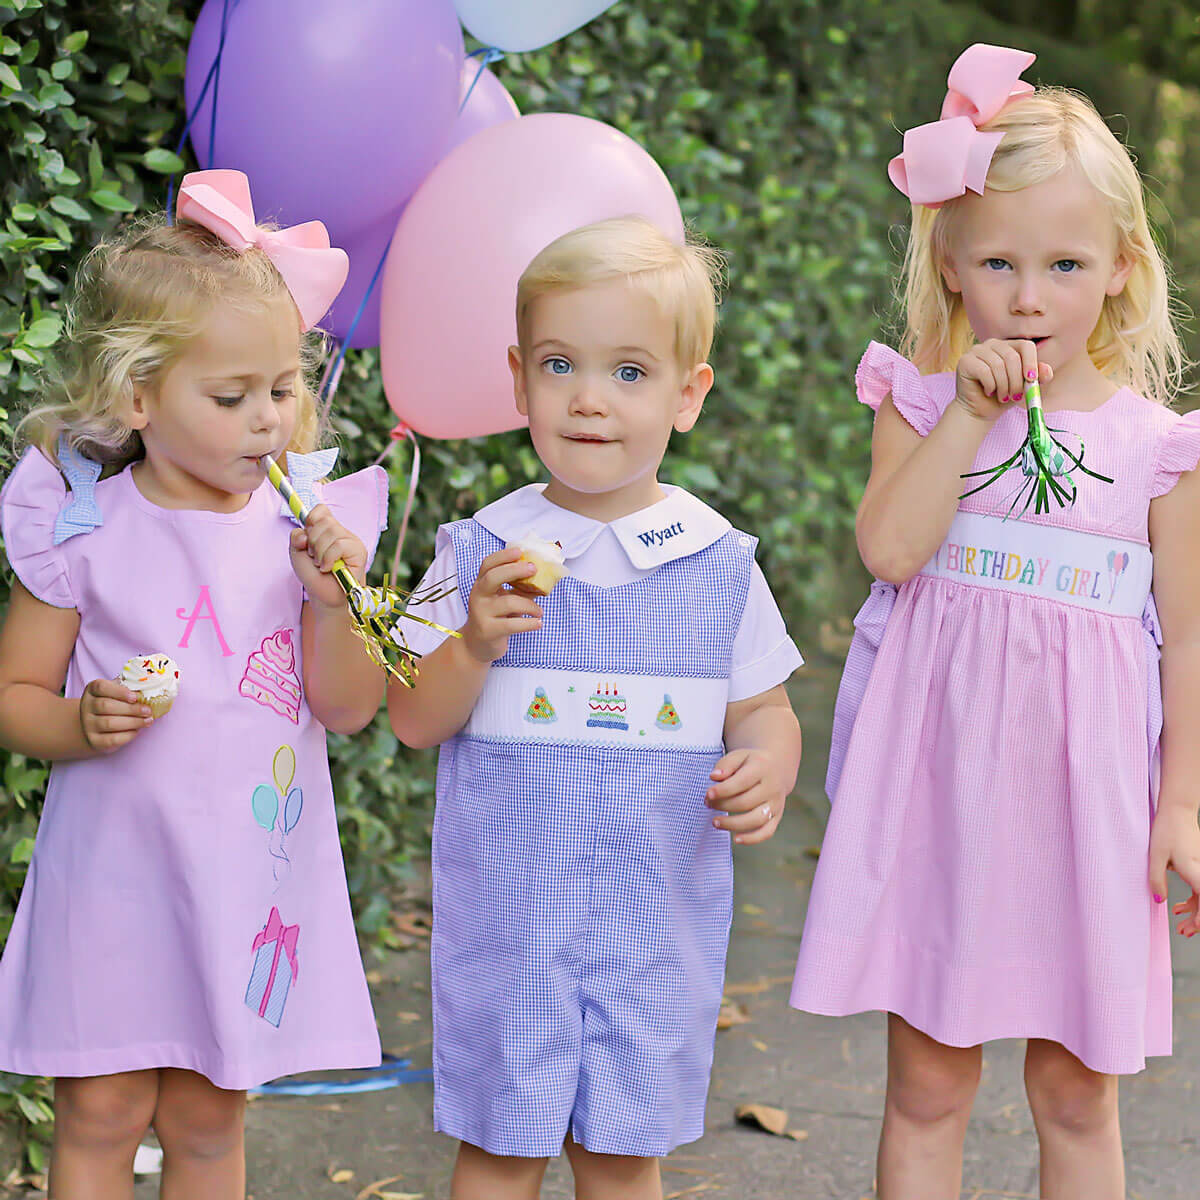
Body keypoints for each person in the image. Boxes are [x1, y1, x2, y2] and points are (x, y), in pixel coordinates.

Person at [790, 43, 1200, 1200]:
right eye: (1001, 264)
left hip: (1091, 801)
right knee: (928, 1087)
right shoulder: (917, 403)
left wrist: (1183, 803)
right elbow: (891, 551)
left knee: (1078, 1093)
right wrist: (963, 419)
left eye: (1066, 263)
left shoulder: (1155, 447)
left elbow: (1191, 637)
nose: (1031, 296)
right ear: (953, 267)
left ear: (1121, 268)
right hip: (944, 795)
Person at [389, 215, 804, 1200]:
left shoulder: (718, 563)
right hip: (510, 919)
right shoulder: (475, 550)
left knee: (623, 1153)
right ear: (518, 377)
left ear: (686, 393)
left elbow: (764, 710)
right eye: (560, 364)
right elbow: (411, 719)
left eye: (628, 372)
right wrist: (474, 641)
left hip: (650, 923)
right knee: (499, 1148)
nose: (589, 398)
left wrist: (769, 764)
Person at [0, 169, 388, 1199]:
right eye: (232, 397)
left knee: (209, 1119)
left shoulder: (303, 527)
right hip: (114, 877)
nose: (267, 419)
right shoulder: (79, 524)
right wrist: (81, 722)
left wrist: (333, 601)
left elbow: (346, 707)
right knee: (101, 1110)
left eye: (282, 389)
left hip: (245, 882)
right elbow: (16, 698)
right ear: (138, 397)